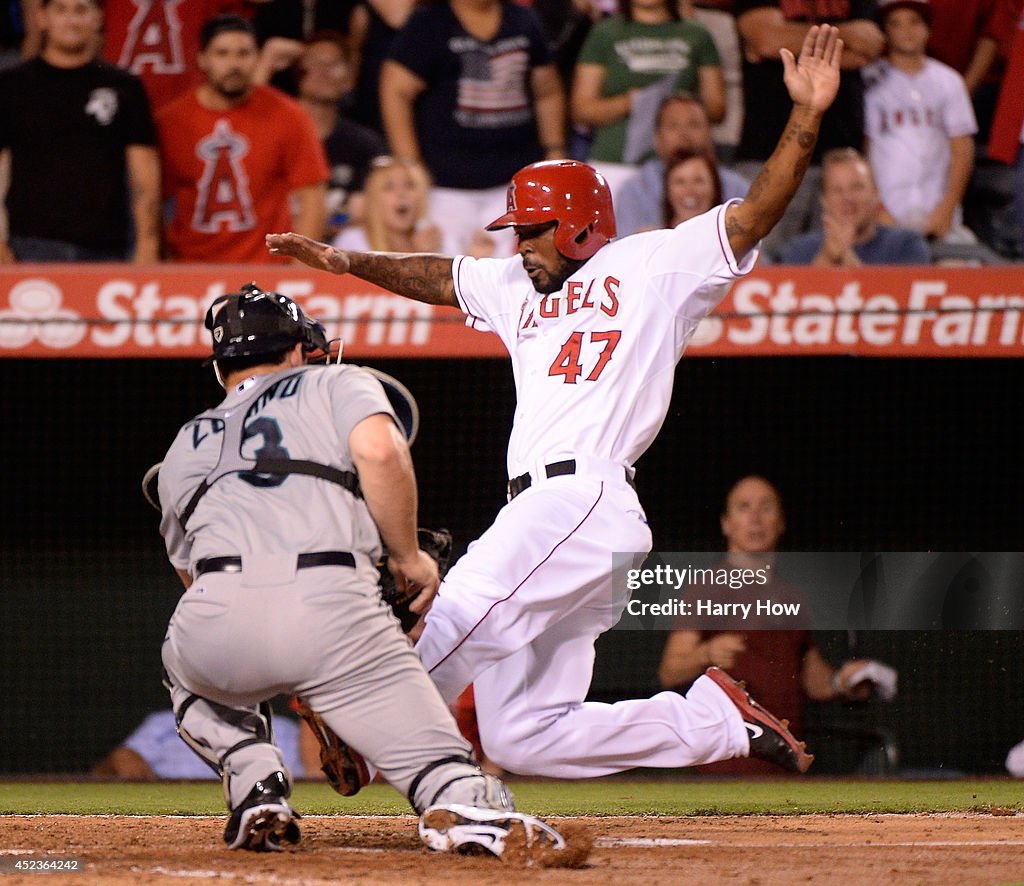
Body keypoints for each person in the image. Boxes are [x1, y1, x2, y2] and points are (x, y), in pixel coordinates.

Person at [268, 24, 846, 782]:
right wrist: (348, 262)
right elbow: (441, 276)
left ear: (576, 222)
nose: (521, 244)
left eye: (532, 229)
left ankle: (369, 725)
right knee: (520, 735)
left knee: (468, 598)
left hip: (584, 494)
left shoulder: (652, 264)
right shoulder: (516, 283)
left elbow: (753, 215)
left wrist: (804, 117)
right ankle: (713, 721)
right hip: (557, 518)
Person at [156, 282, 569, 856]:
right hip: (330, 613)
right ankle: (461, 803)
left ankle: (254, 783)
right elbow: (379, 451)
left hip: (213, 624)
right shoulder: (335, 380)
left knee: (188, 672)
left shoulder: (181, 446)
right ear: (298, 348)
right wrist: (406, 557)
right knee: (443, 770)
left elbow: (191, 576)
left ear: (221, 366)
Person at [658, 475, 898, 774]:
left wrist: (842, 681)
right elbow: (670, 671)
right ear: (726, 523)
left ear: (781, 522)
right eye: (744, 507)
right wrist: (706, 653)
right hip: (724, 770)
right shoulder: (707, 588)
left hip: (783, 769)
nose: (756, 518)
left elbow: (811, 678)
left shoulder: (791, 595)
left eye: (766, 507)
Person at [380, 0, 566, 256]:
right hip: (445, 186)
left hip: (516, 183)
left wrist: (554, 151)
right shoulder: (430, 23)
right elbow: (396, 89)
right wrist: (410, 165)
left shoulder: (523, 20)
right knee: (446, 280)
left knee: (519, 277)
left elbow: (547, 91)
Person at [156, 13, 328, 263]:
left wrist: (297, 269)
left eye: (243, 53)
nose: (234, 64)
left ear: (257, 58)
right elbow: (152, 203)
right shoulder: (171, 121)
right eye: (222, 54)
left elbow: (312, 196)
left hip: (269, 271)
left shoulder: (289, 115)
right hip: (190, 271)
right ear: (202, 59)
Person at [0, 0, 160, 263]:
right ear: (42, 18)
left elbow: (143, 172)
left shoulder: (125, 87)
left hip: (108, 247)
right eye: (61, 10)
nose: (71, 20)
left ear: (98, 18)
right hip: (29, 245)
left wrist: (148, 243)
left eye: (81, 10)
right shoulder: (10, 86)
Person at [732, 0, 885, 260]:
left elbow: (870, 46)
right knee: (760, 261)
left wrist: (789, 38)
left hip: (838, 159)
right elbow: (768, 40)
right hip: (769, 156)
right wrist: (846, 38)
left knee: (836, 260)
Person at [862, 0, 984, 251]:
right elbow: (864, 151)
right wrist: (877, 208)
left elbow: (962, 150)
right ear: (885, 31)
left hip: (938, 210)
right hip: (887, 212)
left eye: (914, 22)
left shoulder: (949, 81)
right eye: (896, 23)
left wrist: (947, 209)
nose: (906, 30)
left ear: (928, 28)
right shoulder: (869, 80)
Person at [570, 0, 724, 196]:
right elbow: (581, 109)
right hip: (616, 163)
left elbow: (717, 108)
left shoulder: (697, 34)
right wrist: (630, 102)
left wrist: (680, 107)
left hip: (682, 168)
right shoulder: (604, 33)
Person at [294, 31, 388, 238]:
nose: (324, 72)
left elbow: (368, 211)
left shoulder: (365, 145)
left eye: (334, 65)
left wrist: (335, 221)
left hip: (343, 250)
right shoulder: (278, 136)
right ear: (297, 72)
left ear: (349, 78)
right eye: (315, 63)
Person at [615, 93, 749, 237]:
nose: (684, 134)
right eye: (673, 126)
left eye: (694, 124)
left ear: (710, 134)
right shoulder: (634, 191)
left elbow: (759, 252)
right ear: (656, 139)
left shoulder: (738, 189)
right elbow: (624, 251)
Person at [778, 147, 931, 265]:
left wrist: (845, 255)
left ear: (876, 194)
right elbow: (797, 300)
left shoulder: (907, 246)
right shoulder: (800, 250)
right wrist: (827, 258)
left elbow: (894, 301)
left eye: (857, 187)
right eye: (837, 190)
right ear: (824, 200)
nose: (848, 198)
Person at [93, 709, 309, 780]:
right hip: (171, 820)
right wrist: (122, 761)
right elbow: (105, 770)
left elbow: (313, 781)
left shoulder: (282, 729)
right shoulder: (166, 724)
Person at [332, 155, 455, 255]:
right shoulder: (352, 243)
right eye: (389, 187)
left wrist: (428, 258)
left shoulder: (442, 244)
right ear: (373, 199)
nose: (401, 194)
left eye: (410, 185)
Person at [660, 148, 723, 229]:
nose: (689, 191)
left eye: (698, 181)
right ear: (667, 190)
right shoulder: (651, 240)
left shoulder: (734, 241)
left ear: (715, 187)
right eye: (680, 182)